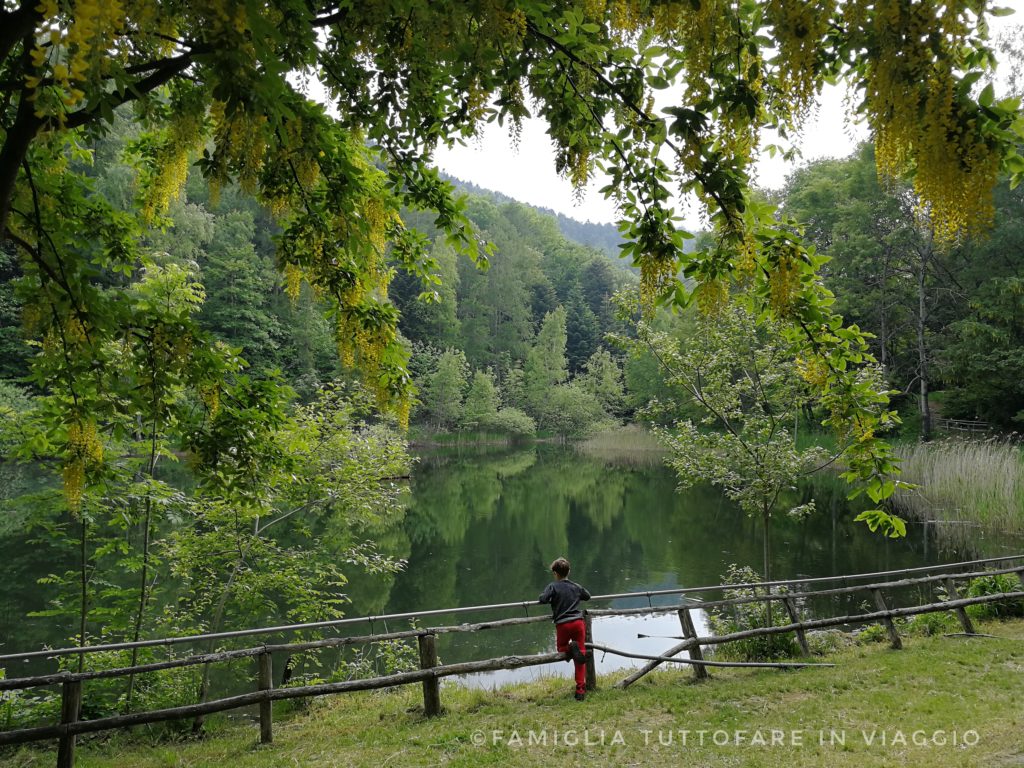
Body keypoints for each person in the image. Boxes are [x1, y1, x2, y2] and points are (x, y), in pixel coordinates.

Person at [539, 557, 591, 701]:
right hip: (578, 623)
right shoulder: (575, 586)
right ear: (569, 571)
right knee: (580, 656)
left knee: (561, 648)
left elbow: (542, 599)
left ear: (555, 573)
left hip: (563, 624)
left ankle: (570, 648)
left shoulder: (553, 587)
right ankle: (580, 689)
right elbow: (587, 596)